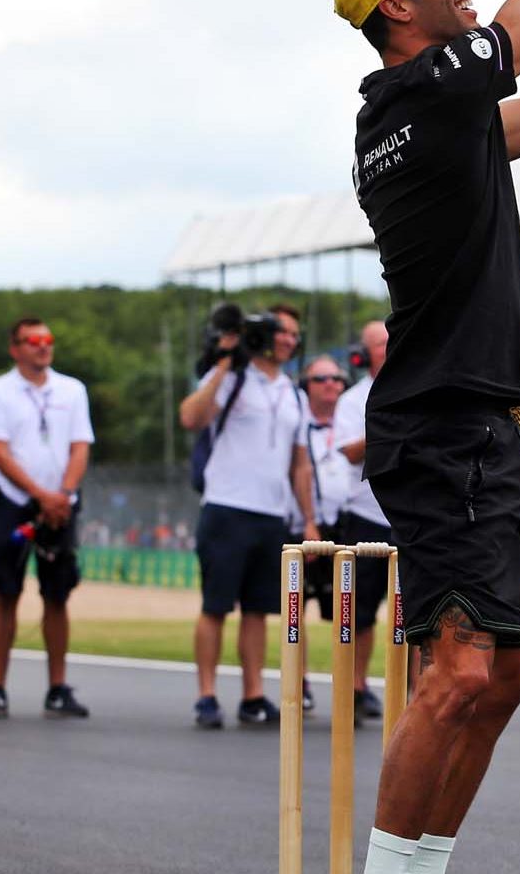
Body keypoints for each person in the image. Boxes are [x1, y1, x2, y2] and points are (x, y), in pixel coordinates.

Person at [333, 0, 520, 874]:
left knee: (502, 677)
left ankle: (419, 864)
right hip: (447, 422)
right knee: (459, 671)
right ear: (398, 7)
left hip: (473, 417)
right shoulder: (430, 94)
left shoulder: (421, 114)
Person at [178, 304, 319, 729]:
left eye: (294, 334)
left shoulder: (295, 394)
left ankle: (253, 693)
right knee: (216, 606)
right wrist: (224, 362)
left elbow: (301, 465)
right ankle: (206, 694)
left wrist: (308, 520)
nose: (287, 340)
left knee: (258, 610)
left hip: (271, 513)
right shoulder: (234, 378)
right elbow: (191, 417)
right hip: (226, 506)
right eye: (280, 332)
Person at [0, 318, 95, 720]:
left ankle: (57, 687)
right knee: (6, 591)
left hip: (61, 502)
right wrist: (39, 495)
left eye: (47, 340)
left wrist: (63, 495)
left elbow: (80, 445)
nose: (43, 347)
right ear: (15, 348)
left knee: (57, 595)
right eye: (33, 341)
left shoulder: (72, 390)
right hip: (14, 500)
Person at [291, 355, 386, 718]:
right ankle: (297, 681)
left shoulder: (349, 411)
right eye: (321, 379)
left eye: (337, 378)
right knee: (296, 606)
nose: (331, 384)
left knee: (353, 608)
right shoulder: (297, 422)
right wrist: (307, 521)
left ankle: (357, 687)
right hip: (306, 526)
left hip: (346, 520)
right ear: (307, 386)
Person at [334, 321, 399, 718]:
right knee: (361, 610)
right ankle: (356, 687)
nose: (391, 348)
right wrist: (388, 427)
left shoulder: (417, 389)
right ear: (364, 354)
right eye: (382, 343)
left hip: (411, 518)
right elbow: (350, 452)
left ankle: (415, 687)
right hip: (366, 515)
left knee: (416, 609)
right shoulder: (353, 399)